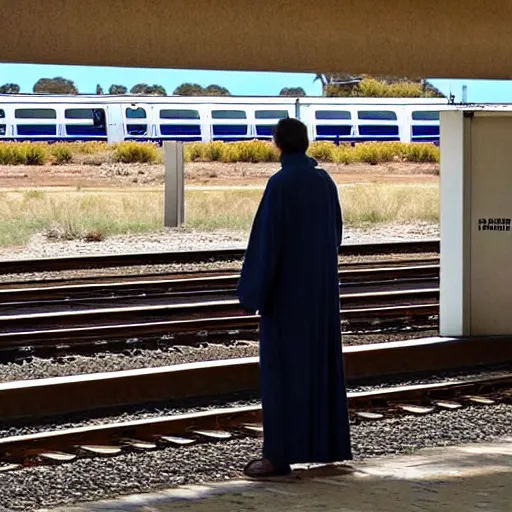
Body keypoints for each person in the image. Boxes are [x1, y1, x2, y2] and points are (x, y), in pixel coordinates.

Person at [237, 118, 352, 478]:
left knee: (281, 375)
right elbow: (336, 235)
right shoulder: (323, 181)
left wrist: (252, 293)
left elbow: (267, 243)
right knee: (321, 370)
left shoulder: (281, 183)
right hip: (320, 297)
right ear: (305, 142)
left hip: (287, 299)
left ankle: (277, 456)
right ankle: (328, 446)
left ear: (277, 144)